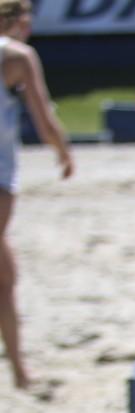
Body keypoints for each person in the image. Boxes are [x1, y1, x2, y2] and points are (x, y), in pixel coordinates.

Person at [0, 0, 73, 390]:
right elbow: (43, 116)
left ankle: (19, 371)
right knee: (5, 278)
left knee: (6, 274)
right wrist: (62, 150)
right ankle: (19, 371)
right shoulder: (17, 55)